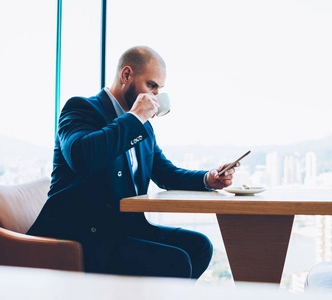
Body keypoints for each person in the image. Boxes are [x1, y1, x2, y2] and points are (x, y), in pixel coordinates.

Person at [27, 46, 238, 279]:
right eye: (151, 86)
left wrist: (208, 178)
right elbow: (82, 157)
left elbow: (165, 173)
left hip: (123, 230)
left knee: (200, 247)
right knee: (175, 262)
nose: (156, 96)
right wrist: (136, 117)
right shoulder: (81, 108)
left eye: (159, 89)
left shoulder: (142, 127)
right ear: (126, 75)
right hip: (84, 234)